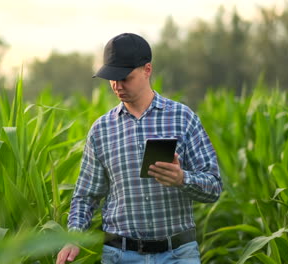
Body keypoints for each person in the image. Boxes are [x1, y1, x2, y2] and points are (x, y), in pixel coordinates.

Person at [56, 33, 222, 264]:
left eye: (125, 77)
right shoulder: (101, 129)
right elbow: (86, 196)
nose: (117, 85)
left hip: (178, 254)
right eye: (111, 78)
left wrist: (181, 178)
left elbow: (214, 186)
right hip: (120, 255)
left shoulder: (183, 118)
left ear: (147, 70)